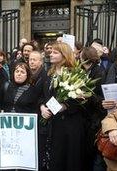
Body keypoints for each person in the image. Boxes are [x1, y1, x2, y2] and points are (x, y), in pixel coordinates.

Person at [40, 42, 87, 171]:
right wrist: (42, 108)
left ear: (64, 55)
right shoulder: (48, 74)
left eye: (55, 52)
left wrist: (65, 106)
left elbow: (80, 99)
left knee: (69, 160)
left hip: (70, 125)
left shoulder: (75, 74)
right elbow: (42, 96)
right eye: (51, 52)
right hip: (53, 124)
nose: (51, 54)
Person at [79, 47, 106, 170]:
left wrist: (87, 95)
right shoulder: (80, 70)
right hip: (82, 116)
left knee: (91, 150)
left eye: (81, 55)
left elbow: (101, 97)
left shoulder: (99, 72)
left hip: (94, 117)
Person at [28, 51, 49, 171]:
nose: (31, 62)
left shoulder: (45, 76)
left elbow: (46, 96)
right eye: (30, 59)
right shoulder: (28, 74)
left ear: (41, 62)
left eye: (34, 60)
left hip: (40, 117)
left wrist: (42, 106)